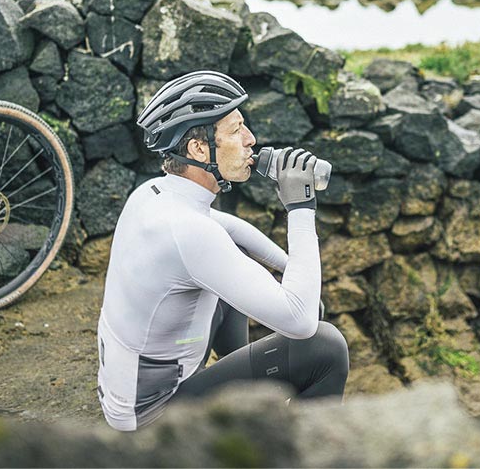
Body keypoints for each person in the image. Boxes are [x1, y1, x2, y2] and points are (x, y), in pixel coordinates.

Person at [96, 69, 349, 432]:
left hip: (126, 394)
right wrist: (301, 208)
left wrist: (290, 267)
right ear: (199, 149)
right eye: (236, 131)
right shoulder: (190, 233)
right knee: (326, 348)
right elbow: (302, 321)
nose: (251, 139)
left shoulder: (154, 194)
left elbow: (229, 227)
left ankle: (248, 407)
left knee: (234, 261)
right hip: (152, 416)